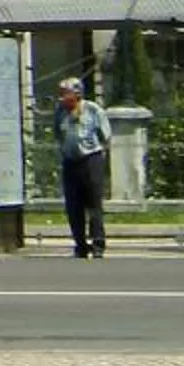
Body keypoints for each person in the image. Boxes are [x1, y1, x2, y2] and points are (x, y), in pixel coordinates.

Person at [53, 75, 110, 260]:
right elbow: (57, 134)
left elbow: (105, 135)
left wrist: (99, 154)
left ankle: (98, 244)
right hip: (71, 161)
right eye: (60, 94)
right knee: (73, 206)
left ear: (76, 94)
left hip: (91, 159)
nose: (62, 98)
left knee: (94, 204)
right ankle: (80, 245)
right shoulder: (60, 111)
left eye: (65, 93)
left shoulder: (93, 110)